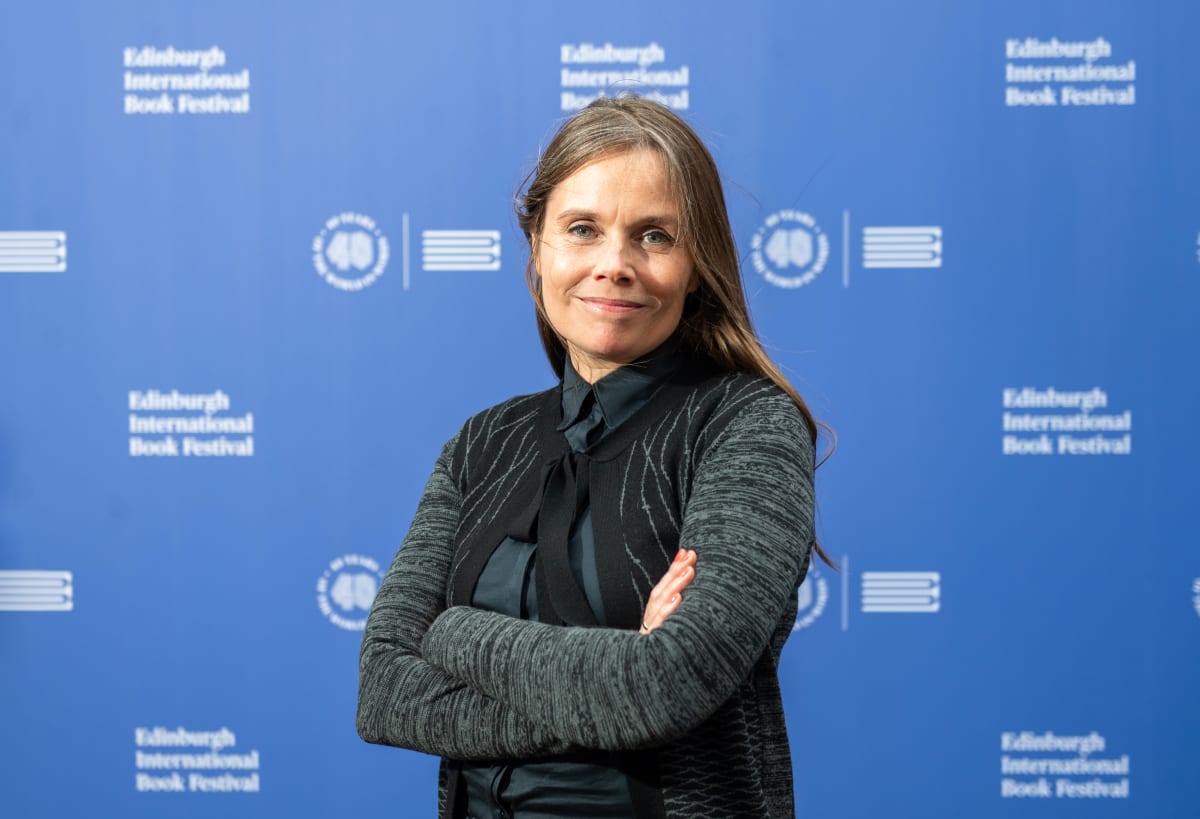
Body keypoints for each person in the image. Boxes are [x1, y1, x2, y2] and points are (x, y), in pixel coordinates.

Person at [357, 95, 824, 819]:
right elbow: (385, 689)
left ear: (697, 263)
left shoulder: (745, 425)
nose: (615, 264)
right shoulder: (484, 442)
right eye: (582, 229)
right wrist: (617, 683)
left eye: (655, 237)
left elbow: (669, 686)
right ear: (537, 247)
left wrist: (451, 632)